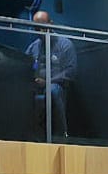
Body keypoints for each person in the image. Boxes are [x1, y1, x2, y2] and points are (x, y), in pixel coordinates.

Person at [25, 10, 77, 138]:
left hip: (57, 86)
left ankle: (61, 134)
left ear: (51, 23)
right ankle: (31, 136)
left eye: (42, 26)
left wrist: (48, 81)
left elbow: (70, 72)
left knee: (52, 90)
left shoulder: (65, 44)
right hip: (36, 87)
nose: (40, 31)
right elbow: (24, 67)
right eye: (37, 28)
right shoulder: (33, 47)